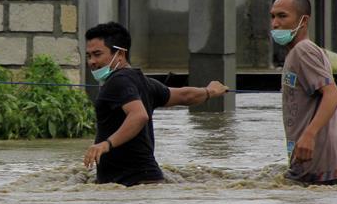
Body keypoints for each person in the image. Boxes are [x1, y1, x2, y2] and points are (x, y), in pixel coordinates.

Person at [82, 22, 229, 186]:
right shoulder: (141, 80)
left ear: (120, 54)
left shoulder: (118, 82)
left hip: (129, 183)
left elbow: (139, 115)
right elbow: (185, 96)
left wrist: (106, 144)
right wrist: (210, 91)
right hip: (148, 180)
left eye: (97, 54)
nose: (92, 61)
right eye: (88, 56)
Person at [270, 0, 337, 185]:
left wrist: (308, 135)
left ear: (303, 20)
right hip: (315, 165)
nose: (275, 24)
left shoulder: (303, 51)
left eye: (282, 16)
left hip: (319, 166)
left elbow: (332, 95)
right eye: (272, 16)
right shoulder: (300, 52)